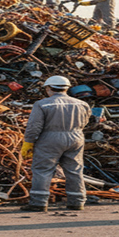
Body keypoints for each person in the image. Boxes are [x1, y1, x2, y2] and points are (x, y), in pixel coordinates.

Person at [20, 76, 91, 212]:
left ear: (48, 88)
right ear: (67, 88)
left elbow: (34, 126)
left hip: (50, 138)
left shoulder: (42, 104)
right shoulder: (81, 104)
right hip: (76, 137)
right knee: (74, 170)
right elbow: (86, 121)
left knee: (43, 170)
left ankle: (38, 203)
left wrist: (29, 142)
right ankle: (77, 202)